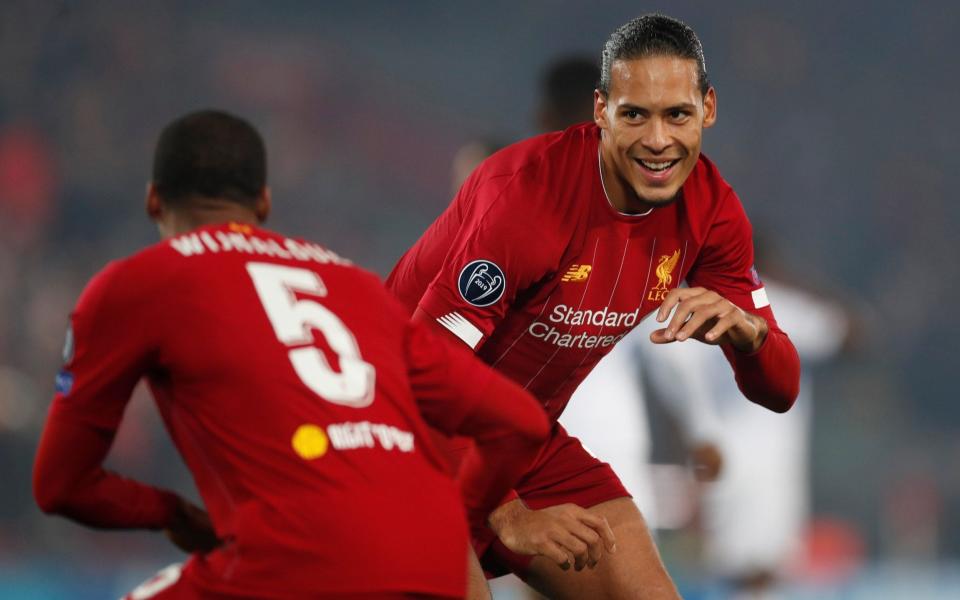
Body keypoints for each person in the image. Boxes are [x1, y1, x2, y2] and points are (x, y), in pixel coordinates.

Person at [32, 110, 552, 600]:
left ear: (152, 201)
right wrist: (460, 515)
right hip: (432, 569)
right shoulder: (357, 286)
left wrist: (171, 512)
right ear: (262, 202)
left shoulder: (139, 281)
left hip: (291, 560)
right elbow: (519, 422)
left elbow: (61, 486)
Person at [387, 13, 801, 599]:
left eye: (677, 114)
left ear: (707, 109)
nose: (658, 140)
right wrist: (505, 515)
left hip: (519, 441)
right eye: (635, 114)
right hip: (401, 432)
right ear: (601, 110)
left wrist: (751, 336)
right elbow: (418, 371)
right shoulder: (528, 195)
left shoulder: (713, 211)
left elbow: (779, 391)